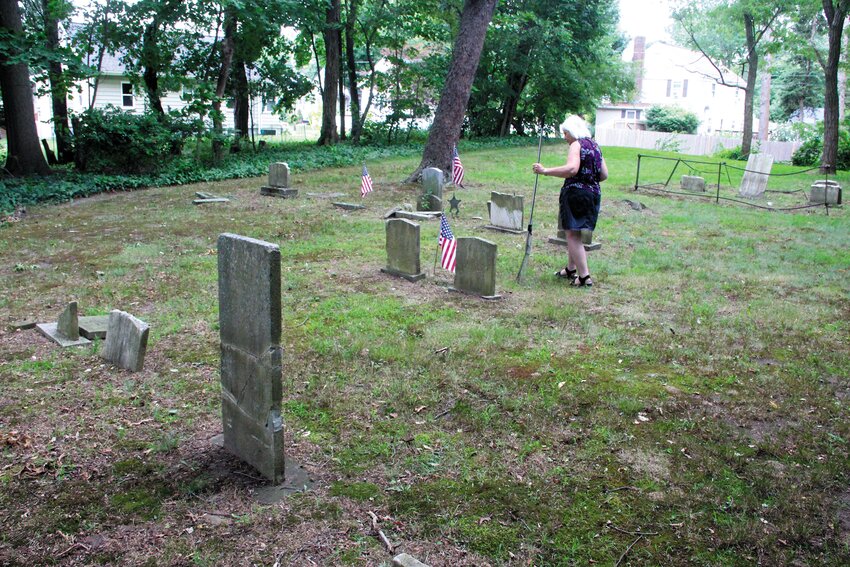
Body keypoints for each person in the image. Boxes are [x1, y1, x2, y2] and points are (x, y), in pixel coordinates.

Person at [532, 115, 608, 287]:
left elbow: (572, 169)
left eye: (565, 133)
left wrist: (545, 171)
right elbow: (604, 174)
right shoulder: (595, 146)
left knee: (572, 235)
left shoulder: (576, 144)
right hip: (593, 195)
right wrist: (589, 180)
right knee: (576, 232)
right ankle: (570, 269)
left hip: (575, 194)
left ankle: (584, 277)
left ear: (572, 132)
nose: (564, 137)